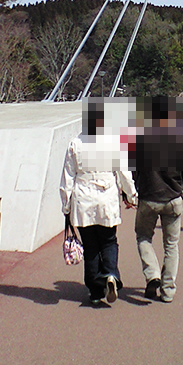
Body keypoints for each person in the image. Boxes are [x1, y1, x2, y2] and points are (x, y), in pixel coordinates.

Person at [60, 108, 137, 306]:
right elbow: (124, 172)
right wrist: (131, 194)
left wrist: (66, 206)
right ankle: (110, 273)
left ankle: (95, 291)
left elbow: (67, 178)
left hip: (83, 198)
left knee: (91, 246)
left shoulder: (75, 144)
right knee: (109, 240)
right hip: (107, 197)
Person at [132, 99, 183, 303]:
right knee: (171, 245)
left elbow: (133, 171)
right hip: (173, 198)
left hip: (149, 198)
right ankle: (168, 290)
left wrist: (133, 192)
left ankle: (152, 275)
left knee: (143, 236)